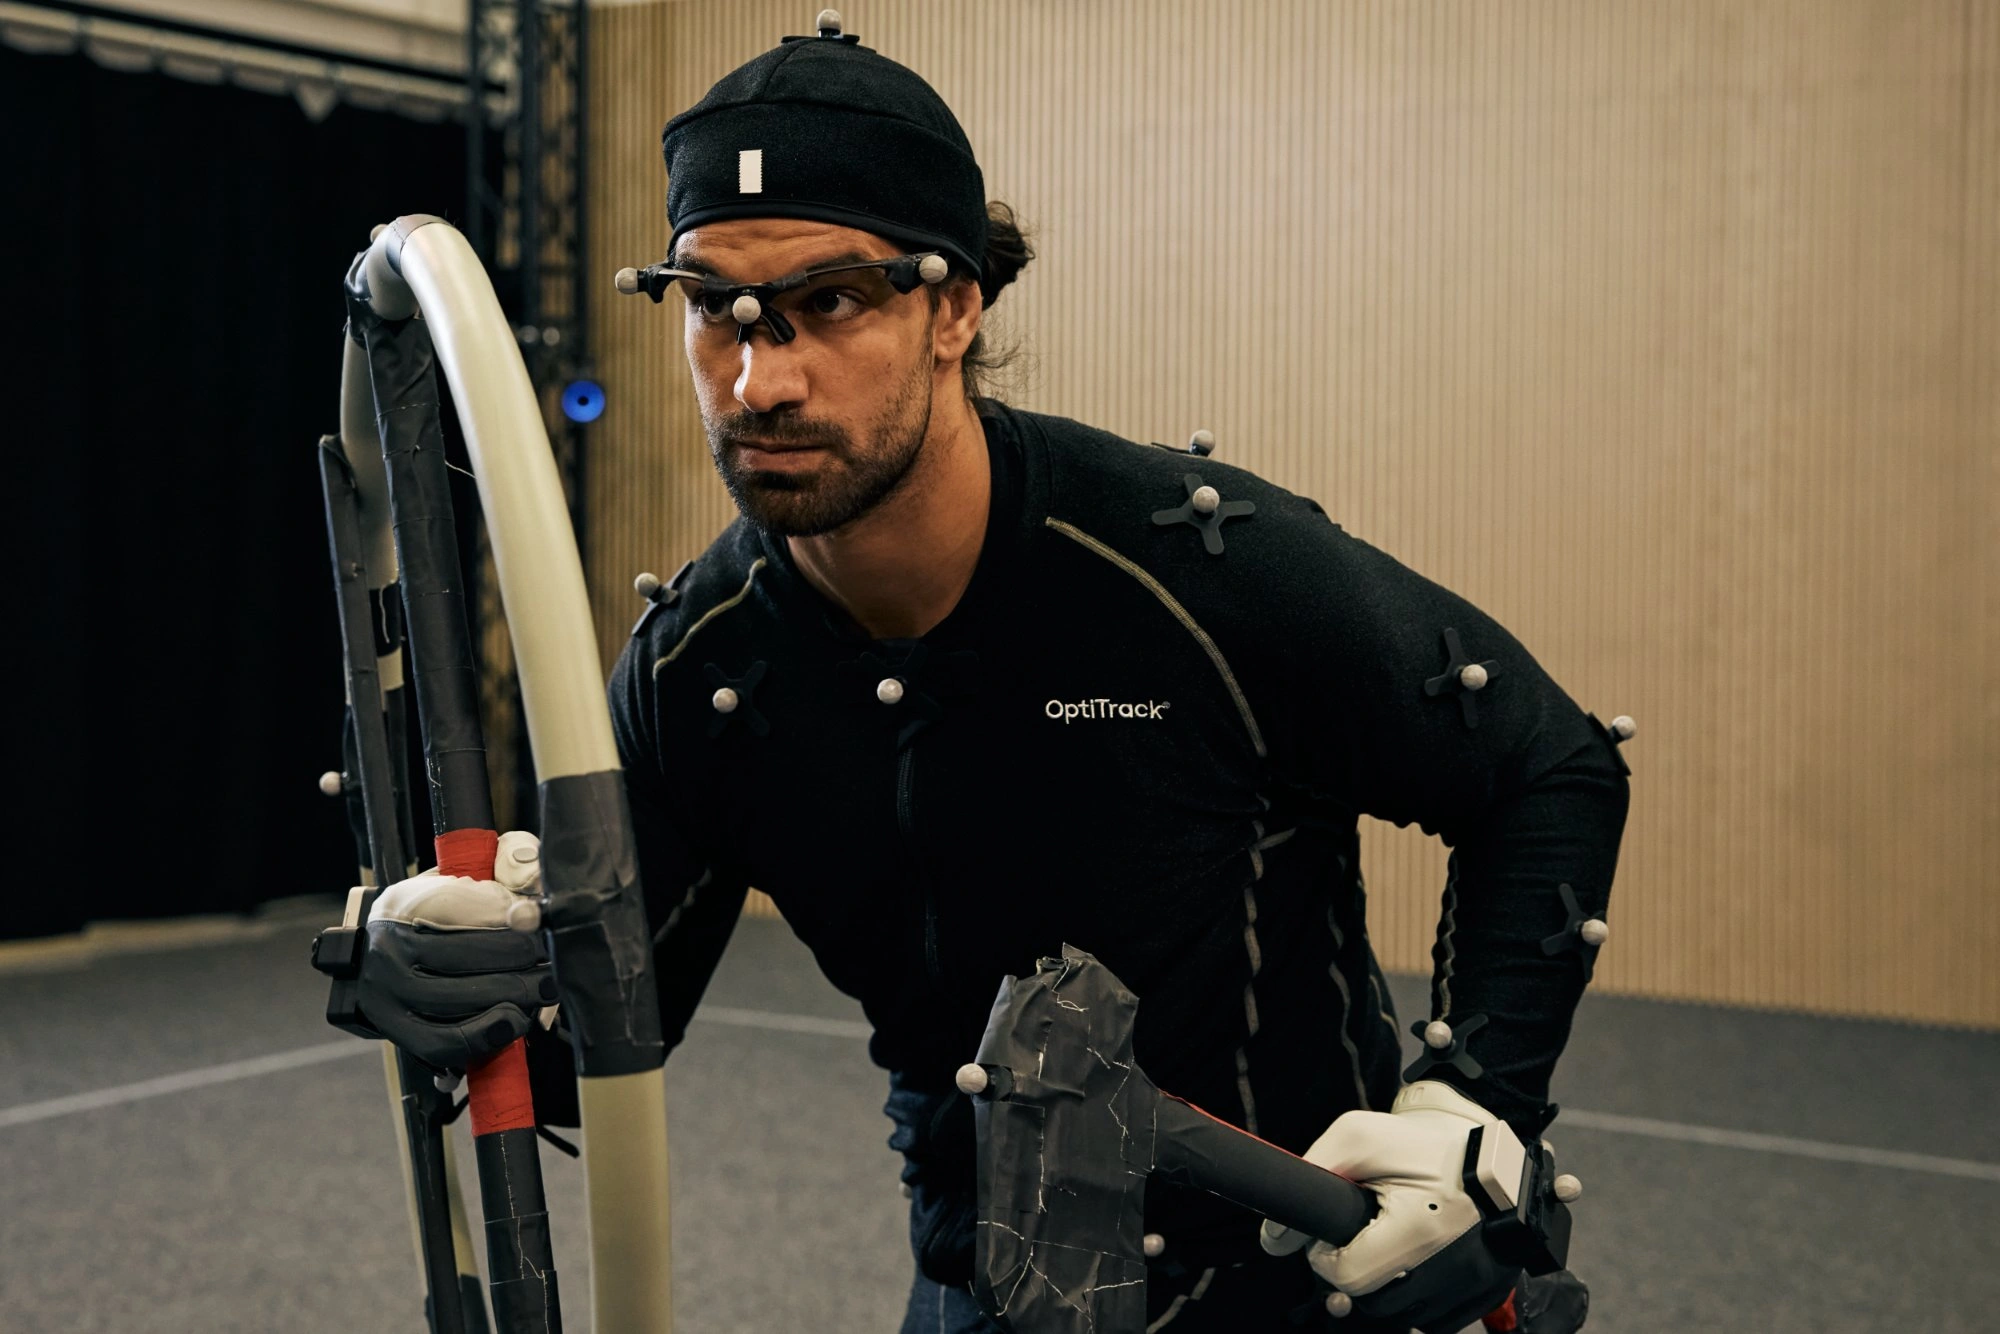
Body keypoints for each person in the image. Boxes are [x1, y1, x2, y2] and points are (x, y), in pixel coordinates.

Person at [357, 13, 1630, 1333]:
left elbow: (1548, 761)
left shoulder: (1194, 570)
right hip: (989, 1287)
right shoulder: (703, 670)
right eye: (710, 308)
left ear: (955, 305)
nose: (758, 374)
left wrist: (1473, 1110)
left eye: (829, 302)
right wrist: (462, 983)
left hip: (1309, 1271)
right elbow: (597, 1059)